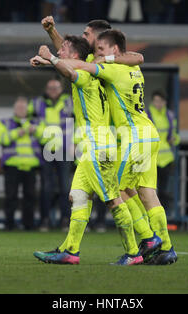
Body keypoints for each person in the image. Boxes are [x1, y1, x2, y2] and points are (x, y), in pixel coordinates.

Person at [40, 16, 160, 258]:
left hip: (100, 144)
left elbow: (137, 57)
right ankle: (70, 251)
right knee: (78, 196)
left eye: (86, 34)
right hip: (95, 144)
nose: (84, 37)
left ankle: (140, 246)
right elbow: (69, 55)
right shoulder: (93, 64)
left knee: (115, 198)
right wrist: (51, 46)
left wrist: (52, 59)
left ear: (99, 37)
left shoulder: (91, 71)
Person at [58, 30, 178, 265]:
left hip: (133, 135)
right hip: (149, 133)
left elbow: (81, 66)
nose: (98, 51)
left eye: (99, 46)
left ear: (112, 48)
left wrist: (52, 59)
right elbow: (138, 57)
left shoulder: (112, 69)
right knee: (147, 193)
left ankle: (149, 238)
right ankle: (166, 248)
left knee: (118, 189)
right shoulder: (132, 67)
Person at [29, 77, 73, 231]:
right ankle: (45, 220)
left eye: (56, 88)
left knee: (65, 187)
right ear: (46, 90)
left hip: (65, 149)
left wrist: (74, 143)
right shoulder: (37, 103)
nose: (53, 91)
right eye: (50, 88)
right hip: (46, 148)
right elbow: (32, 124)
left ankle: (65, 220)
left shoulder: (70, 101)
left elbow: (78, 122)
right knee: (46, 187)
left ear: (61, 89)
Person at [0, 97, 43, 231]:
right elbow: (1, 139)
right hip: (12, 165)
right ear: (14, 109)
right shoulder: (4, 123)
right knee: (11, 196)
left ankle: (29, 225)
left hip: (31, 166)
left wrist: (36, 131)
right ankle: (9, 224)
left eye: (23, 108)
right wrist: (17, 133)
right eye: (19, 108)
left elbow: (47, 137)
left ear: (28, 109)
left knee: (30, 197)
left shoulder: (36, 123)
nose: (21, 110)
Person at [145, 90, 180, 212]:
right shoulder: (146, 115)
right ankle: (150, 216)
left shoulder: (170, 116)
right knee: (149, 190)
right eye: (155, 101)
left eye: (160, 101)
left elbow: (175, 136)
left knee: (164, 191)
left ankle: (163, 218)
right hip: (150, 158)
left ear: (164, 102)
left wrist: (174, 139)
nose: (157, 103)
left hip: (166, 159)